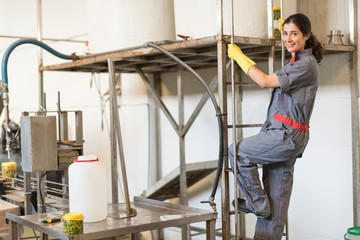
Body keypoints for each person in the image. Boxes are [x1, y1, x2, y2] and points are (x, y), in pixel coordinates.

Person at [227, 13, 324, 239]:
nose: (288, 39)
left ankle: (257, 205)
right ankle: (264, 211)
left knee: (237, 151)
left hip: (286, 136)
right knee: (276, 199)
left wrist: (240, 57)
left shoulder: (306, 65)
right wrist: (287, 30)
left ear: (307, 36)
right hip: (286, 134)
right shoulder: (297, 61)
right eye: (285, 34)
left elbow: (264, 81)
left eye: (295, 34)